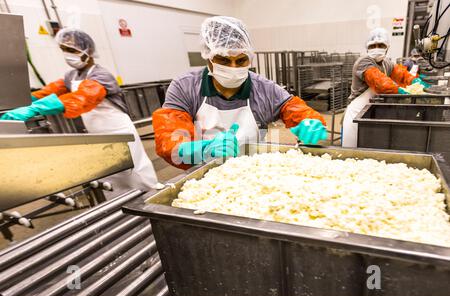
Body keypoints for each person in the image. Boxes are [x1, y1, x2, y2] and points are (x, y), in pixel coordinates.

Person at [153, 16, 327, 169]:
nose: (233, 67)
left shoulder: (264, 88)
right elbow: (169, 139)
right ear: (208, 56)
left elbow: (294, 109)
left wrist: (309, 122)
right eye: (224, 60)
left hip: (252, 172)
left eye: (241, 60)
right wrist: (203, 149)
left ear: (249, 57)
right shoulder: (185, 86)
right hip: (204, 176)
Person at [1, 28, 158, 191]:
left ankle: (151, 199)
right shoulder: (71, 76)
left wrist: (34, 109)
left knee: (134, 171)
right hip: (97, 134)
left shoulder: (101, 75)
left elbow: (82, 98)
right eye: (64, 50)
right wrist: (21, 100)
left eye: (71, 50)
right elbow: (48, 92)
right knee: (111, 174)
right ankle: (123, 206)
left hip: (119, 130)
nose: (67, 54)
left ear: (87, 51)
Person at [341, 27, 431, 148]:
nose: (376, 48)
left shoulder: (386, 63)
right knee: (352, 150)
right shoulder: (363, 62)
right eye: (373, 46)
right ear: (367, 47)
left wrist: (415, 81)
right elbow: (380, 82)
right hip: (356, 113)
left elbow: (401, 74)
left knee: (368, 148)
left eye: (380, 45)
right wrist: (400, 91)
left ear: (387, 47)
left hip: (371, 113)